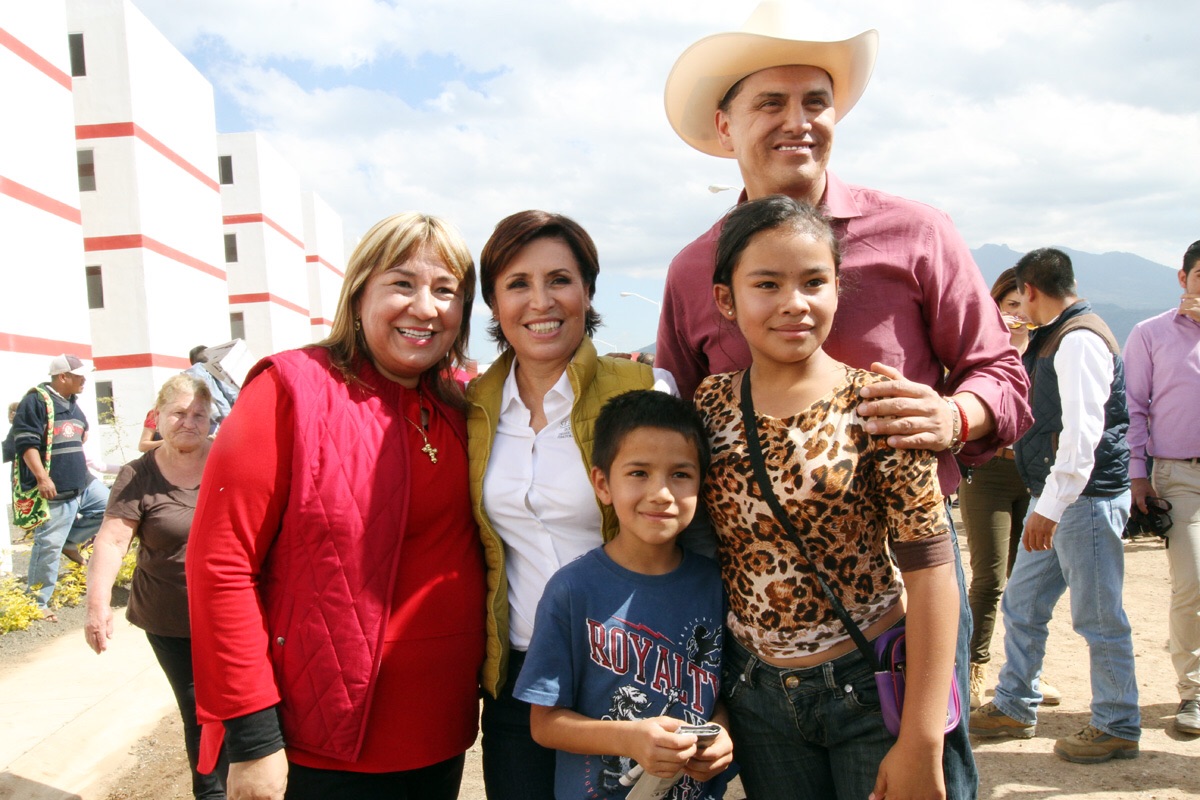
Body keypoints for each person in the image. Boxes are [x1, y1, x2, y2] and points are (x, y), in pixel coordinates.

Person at [656, 3, 1032, 790]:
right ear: (726, 125)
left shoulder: (918, 232)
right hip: (763, 628)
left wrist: (952, 413)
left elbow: (1005, 377)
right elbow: (678, 443)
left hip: (905, 595)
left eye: (816, 101)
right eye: (770, 102)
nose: (798, 121)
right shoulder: (693, 272)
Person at [187, 212, 486, 800]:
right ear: (357, 295)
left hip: (441, 733)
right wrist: (252, 737)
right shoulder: (288, 389)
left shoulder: (463, 407)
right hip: (319, 745)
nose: (425, 307)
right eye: (402, 283)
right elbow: (221, 565)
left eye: (446, 290)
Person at [695, 195, 962, 799]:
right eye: (767, 283)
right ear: (725, 300)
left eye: (814, 281)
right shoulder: (708, 407)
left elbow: (931, 573)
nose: (795, 302)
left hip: (867, 689)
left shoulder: (878, 406)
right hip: (758, 698)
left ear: (838, 289)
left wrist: (921, 738)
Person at [466, 210, 678, 799]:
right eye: (517, 284)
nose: (541, 301)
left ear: (587, 290)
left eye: (560, 279)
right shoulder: (474, 406)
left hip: (633, 664)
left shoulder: (641, 390)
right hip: (522, 677)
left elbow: (692, 532)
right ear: (493, 302)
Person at [514, 390, 733, 799]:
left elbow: (724, 698)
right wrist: (628, 739)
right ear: (602, 483)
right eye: (638, 473)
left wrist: (721, 733)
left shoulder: (716, 584)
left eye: (681, 474)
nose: (661, 493)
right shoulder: (571, 590)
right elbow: (544, 724)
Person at [970, 248, 1141, 763]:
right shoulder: (1056, 335)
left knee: (1098, 615)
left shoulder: (1079, 340)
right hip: (1058, 495)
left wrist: (1051, 504)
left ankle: (1117, 722)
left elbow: (1084, 432)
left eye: (1021, 297)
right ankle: (1015, 704)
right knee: (1023, 602)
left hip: (1082, 500)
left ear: (1033, 291)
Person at [84, 374, 228, 799]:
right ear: (158, 416)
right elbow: (112, 540)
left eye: (198, 414)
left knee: (245, 705)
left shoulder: (231, 459)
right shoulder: (137, 475)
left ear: (210, 419)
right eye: (178, 413)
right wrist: (97, 607)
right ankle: (212, 794)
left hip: (234, 613)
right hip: (169, 618)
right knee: (197, 712)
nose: (188, 422)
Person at [958, 269, 1059, 709]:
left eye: (1026, 305)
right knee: (991, 578)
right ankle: (973, 670)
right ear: (995, 307)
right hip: (989, 476)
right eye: (1010, 305)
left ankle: (1025, 673)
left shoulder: (1053, 350)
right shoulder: (983, 355)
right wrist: (1011, 350)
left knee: (1030, 583)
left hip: (1035, 476)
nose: (1019, 314)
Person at [1123, 239, 1200, 735]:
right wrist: (1137, 474)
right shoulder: (1150, 334)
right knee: (1194, 580)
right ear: (1183, 278)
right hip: (1179, 473)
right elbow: (1133, 407)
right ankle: (1193, 692)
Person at [10, 354, 111, 620]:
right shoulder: (35, 401)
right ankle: (37, 602)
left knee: (112, 510)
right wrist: (43, 478)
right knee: (48, 546)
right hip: (56, 490)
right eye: (79, 376)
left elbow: (82, 433)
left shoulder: (72, 403)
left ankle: (70, 540)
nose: (84, 380)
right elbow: (26, 444)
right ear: (62, 377)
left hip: (84, 484)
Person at [185, 345, 239, 427]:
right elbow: (231, 393)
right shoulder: (213, 369)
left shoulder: (192, 373)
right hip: (224, 418)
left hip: (215, 421)